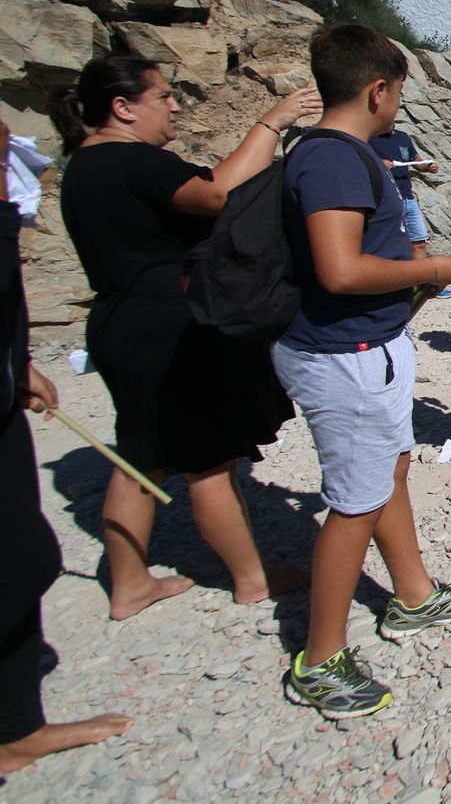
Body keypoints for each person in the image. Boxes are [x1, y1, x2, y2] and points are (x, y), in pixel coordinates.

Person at [274, 24, 451, 718]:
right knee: (355, 503)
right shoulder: (336, 161)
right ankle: (320, 658)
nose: (397, 106)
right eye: (396, 93)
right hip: (347, 357)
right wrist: (430, 268)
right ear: (377, 90)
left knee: (388, 470)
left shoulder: (334, 154)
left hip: (369, 347)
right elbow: (340, 269)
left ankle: (414, 595)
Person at [52, 57, 316, 621]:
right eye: (163, 97)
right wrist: (272, 122)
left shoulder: (83, 166)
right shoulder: (132, 160)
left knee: (140, 456)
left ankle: (129, 583)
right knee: (210, 460)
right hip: (168, 324)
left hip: (118, 319)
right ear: (123, 108)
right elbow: (216, 192)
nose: (175, 105)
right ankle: (251, 578)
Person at [0, 119, 134, 774]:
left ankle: (18, 725)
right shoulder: (114, 167)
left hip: (17, 389)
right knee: (21, 558)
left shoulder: (78, 170)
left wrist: (18, 358)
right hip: (136, 322)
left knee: (23, 555)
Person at [369, 125, 439, 262]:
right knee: (387, 244)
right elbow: (359, 160)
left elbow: (415, 160)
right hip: (386, 199)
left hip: (408, 199)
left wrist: (427, 165)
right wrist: (378, 163)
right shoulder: (369, 136)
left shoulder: (403, 137)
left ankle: (420, 280)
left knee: (419, 242)